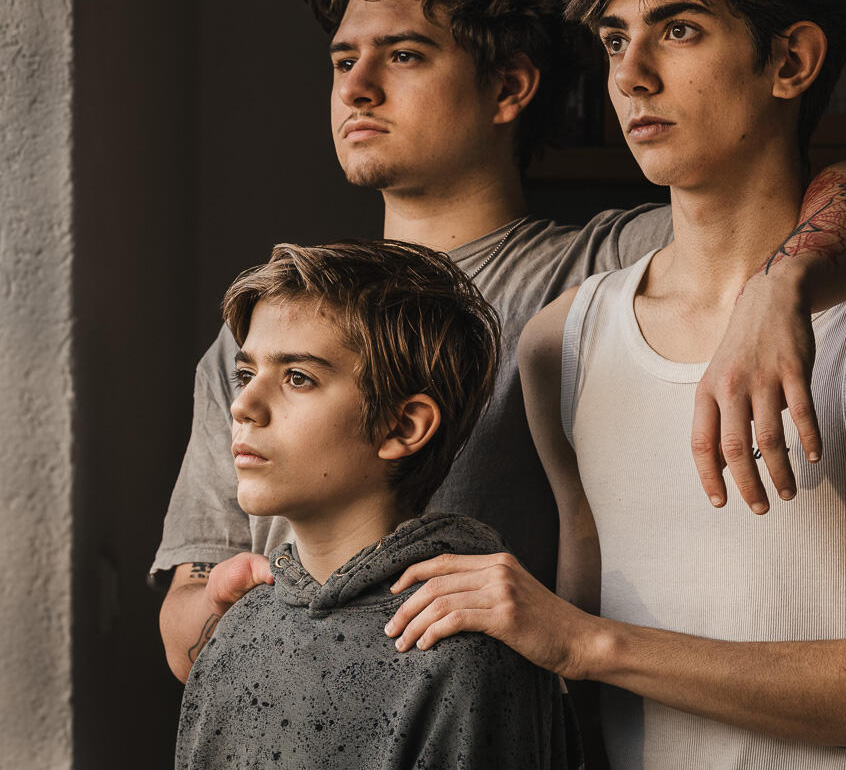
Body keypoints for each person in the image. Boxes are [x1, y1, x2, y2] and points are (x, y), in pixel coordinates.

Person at [154, 0, 846, 684]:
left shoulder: (599, 276)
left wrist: (778, 285)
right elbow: (187, 622)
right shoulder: (265, 330)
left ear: (509, 87)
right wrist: (223, 609)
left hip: (495, 716)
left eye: (402, 55)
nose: (357, 88)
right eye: (341, 61)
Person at [382, 0, 846, 768]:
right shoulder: (565, 341)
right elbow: (587, 716)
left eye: (678, 29)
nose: (631, 75)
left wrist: (590, 642)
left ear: (791, 61)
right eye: (613, 39)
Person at [174, 240, 582, 770]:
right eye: (246, 375)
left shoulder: (466, 653)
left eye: (298, 378)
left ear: (402, 427)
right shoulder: (236, 633)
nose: (243, 406)